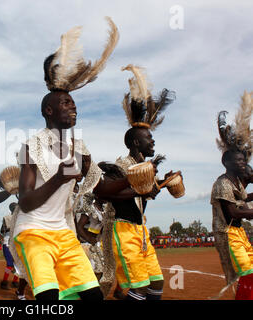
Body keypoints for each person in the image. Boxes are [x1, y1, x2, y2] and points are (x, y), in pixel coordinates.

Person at [11, 18, 137, 301]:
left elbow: (100, 188)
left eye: (73, 102)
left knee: (92, 296)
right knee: (49, 298)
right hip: (33, 233)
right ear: (48, 111)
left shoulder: (80, 148)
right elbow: (25, 200)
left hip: (64, 234)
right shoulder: (31, 146)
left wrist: (133, 182)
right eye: (65, 103)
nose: (73, 106)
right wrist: (60, 177)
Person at [102, 65, 177, 300]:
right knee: (139, 287)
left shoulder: (147, 169)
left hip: (141, 230)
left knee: (157, 281)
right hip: (122, 228)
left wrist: (164, 182)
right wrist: (143, 192)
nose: (152, 142)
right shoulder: (121, 164)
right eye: (148, 139)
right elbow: (111, 196)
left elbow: (146, 194)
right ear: (135, 143)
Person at [211, 91, 253, 300]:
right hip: (227, 234)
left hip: (239, 233)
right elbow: (233, 211)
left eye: (244, 162)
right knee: (247, 273)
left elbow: (242, 200)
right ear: (226, 163)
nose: (243, 165)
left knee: (251, 275)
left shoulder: (236, 182)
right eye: (239, 162)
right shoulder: (222, 183)